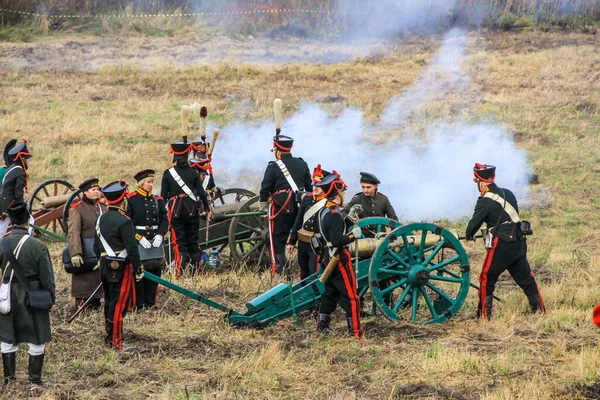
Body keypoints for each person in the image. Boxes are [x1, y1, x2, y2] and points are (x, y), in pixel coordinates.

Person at [466, 163, 546, 320]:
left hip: (501, 244)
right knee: (526, 278)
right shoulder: (508, 194)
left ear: (479, 181)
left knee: (486, 278)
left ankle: (484, 318)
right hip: (518, 240)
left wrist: (469, 234)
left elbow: (471, 228)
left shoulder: (484, 200)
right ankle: (540, 311)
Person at [0, 202, 55, 386]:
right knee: (37, 338)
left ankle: (9, 379)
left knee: (8, 337)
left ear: (11, 223)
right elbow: (47, 277)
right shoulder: (38, 245)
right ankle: (35, 379)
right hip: (34, 295)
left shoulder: (2, 244)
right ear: (27, 222)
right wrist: (50, 298)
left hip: (7, 296)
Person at [313, 172, 363, 339]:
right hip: (338, 257)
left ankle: (321, 329)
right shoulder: (334, 214)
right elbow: (337, 239)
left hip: (327, 257)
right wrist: (353, 235)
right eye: (342, 193)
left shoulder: (324, 211)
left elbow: (334, 229)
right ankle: (356, 333)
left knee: (330, 294)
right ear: (336, 195)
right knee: (352, 297)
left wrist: (348, 219)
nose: (344, 196)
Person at [95, 180, 143, 350]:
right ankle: (117, 341)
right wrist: (138, 268)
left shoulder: (101, 218)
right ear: (123, 199)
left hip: (104, 266)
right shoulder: (125, 221)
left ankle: (109, 337)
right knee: (119, 305)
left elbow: (96, 246)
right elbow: (132, 248)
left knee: (109, 303)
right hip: (121, 268)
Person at [259, 135, 312, 274]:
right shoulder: (302, 164)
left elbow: (265, 187)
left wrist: (263, 203)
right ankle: (304, 270)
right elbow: (309, 187)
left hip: (280, 207)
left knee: (278, 239)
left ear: (277, 151)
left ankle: (278, 270)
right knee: (302, 236)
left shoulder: (273, 166)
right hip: (301, 207)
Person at [161, 137, 210, 276]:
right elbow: (201, 193)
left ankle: (180, 272)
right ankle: (196, 271)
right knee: (193, 241)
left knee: (179, 242)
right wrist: (207, 209)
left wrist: (161, 213)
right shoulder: (193, 172)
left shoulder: (168, 173)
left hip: (175, 211)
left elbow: (163, 196)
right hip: (192, 209)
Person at [126, 169, 168, 310]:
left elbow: (164, 219)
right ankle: (139, 303)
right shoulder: (131, 200)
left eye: (152, 182)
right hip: (140, 239)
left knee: (156, 270)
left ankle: (151, 302)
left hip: (155, 238)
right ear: (141, 184)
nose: (151, 185)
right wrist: (138, 237)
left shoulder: (158, 200)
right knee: (139, 273)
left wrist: (161, 234)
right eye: (148, 182)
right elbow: (128, 222)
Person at [287, 164, 330, 282]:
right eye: (314, 185)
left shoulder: (327, 203)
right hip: (303, 243)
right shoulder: (307, 199)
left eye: (319, 186)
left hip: (316, 244)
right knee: (303, 272)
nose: (315, 188)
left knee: (314, 273)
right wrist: (292, 241)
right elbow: (299, 220)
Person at [67, 178, 106, 310]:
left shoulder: (103, 208)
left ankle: (96, 302)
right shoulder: (77, 209)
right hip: (85, 251)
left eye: (98, 189)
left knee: (98, 279)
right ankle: (82, 303)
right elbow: (73, 232)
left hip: (100, 250)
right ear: (85, 192)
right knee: (84, 280)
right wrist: (75, 253)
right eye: (93, 190)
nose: (97, 192)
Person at [0, 139, 32, 237]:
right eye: (25, 159)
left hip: (3, 202)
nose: (27, 161)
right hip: (9, 205)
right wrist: (22, 209)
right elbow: (18, 194)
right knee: (30, 221)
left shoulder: (11, 168)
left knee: (1, 229)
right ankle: (26, 242)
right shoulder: (20, 172)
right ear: (21, 158)